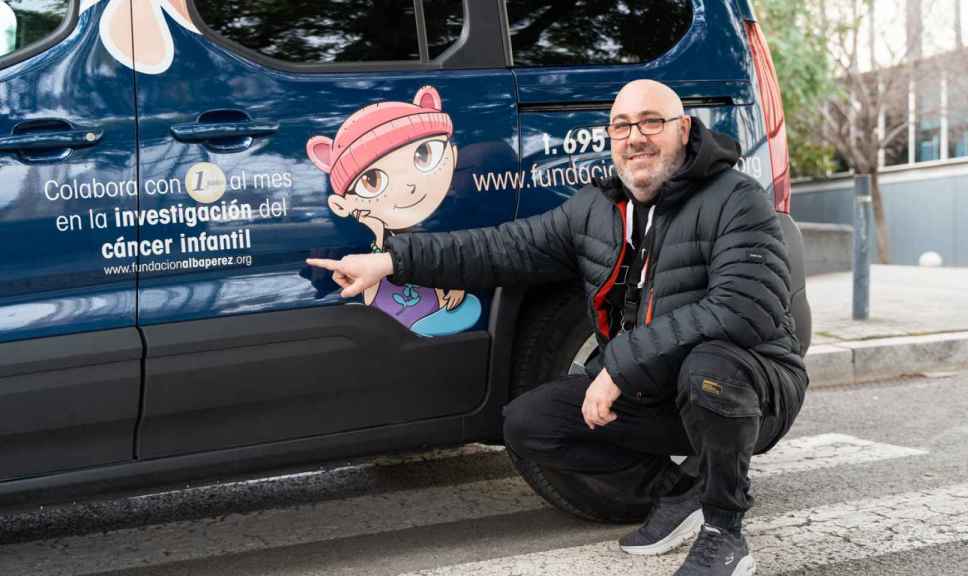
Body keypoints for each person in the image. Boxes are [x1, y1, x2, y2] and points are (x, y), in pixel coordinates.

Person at [307, 79, 808, 576]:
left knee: (709, 370)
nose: (635, 137)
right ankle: (684, 492)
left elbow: (744, 309)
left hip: (753, 386)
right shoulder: (595, 209)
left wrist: (618, 369)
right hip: (658, 386)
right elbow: (499, 248)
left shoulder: (736, 198)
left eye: (652, 122)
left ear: (683, 129)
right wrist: (391, 260)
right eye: (621, 126)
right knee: (531, 423)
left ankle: (724, 531)